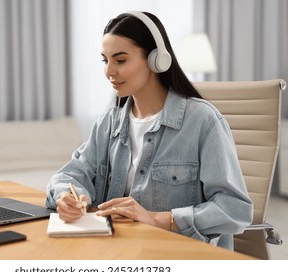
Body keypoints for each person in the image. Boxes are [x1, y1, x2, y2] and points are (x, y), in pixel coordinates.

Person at [45, 11, 252, 249]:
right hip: (119, 253)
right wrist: (67, 197)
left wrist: (157, 219)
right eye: (105, 60)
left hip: (180, 256)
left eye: (120, 60)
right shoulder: (109, 122)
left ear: (157, 59)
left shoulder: (203, 121)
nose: (109, 71)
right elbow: (70, 175)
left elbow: (235, 210)